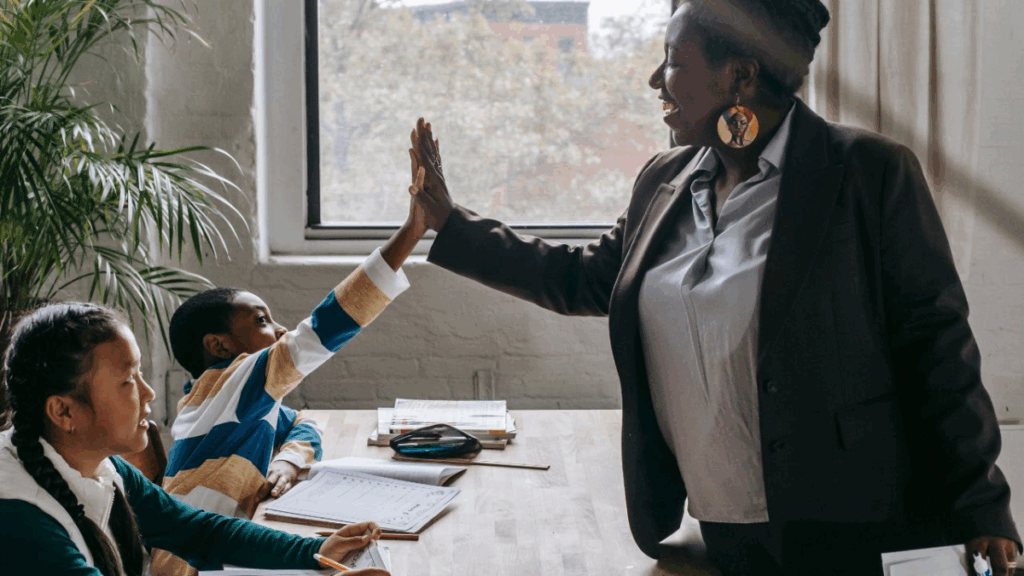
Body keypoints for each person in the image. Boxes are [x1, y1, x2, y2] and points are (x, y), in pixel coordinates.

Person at [406, 0, 1021, 574]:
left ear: (741, 77)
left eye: (673, 60)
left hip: (849, 528)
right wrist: (451, 225)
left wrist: (983, 506)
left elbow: (937, 349)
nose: (655, 80)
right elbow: (586, 278)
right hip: (718, 531)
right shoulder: (665, 179)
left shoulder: (868, 175)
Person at [150, 166, 428, 575]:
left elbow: (303, 421)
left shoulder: (228, 398)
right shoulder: (226, 384)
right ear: (219, 345)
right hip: (192, 568)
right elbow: (322, 330)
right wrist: (411, 232)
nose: (278, 328)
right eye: (261, 320)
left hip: (223, 554)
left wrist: (288, 462)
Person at [0, 302, 390, 576]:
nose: (149, 393)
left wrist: (314, 551)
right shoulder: (21, 519)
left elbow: (198, 532)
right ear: (64, 411)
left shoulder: (97, 464)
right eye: (126, 382)